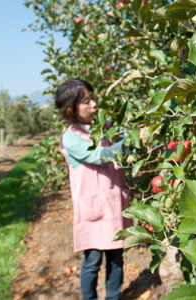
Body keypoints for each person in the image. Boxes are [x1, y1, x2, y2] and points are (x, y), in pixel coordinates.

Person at [55, 78, 132, 300]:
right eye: (86, 101)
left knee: (117, 257)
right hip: (94, 211)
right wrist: (125, 145)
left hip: (114, 205)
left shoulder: (104, 126)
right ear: (71, 107)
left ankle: (113, 297)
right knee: (93, 260)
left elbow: (127, 137)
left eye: (93, 99)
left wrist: (137, 137)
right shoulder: (71, 137)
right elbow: (98, 156)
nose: (94, 105)